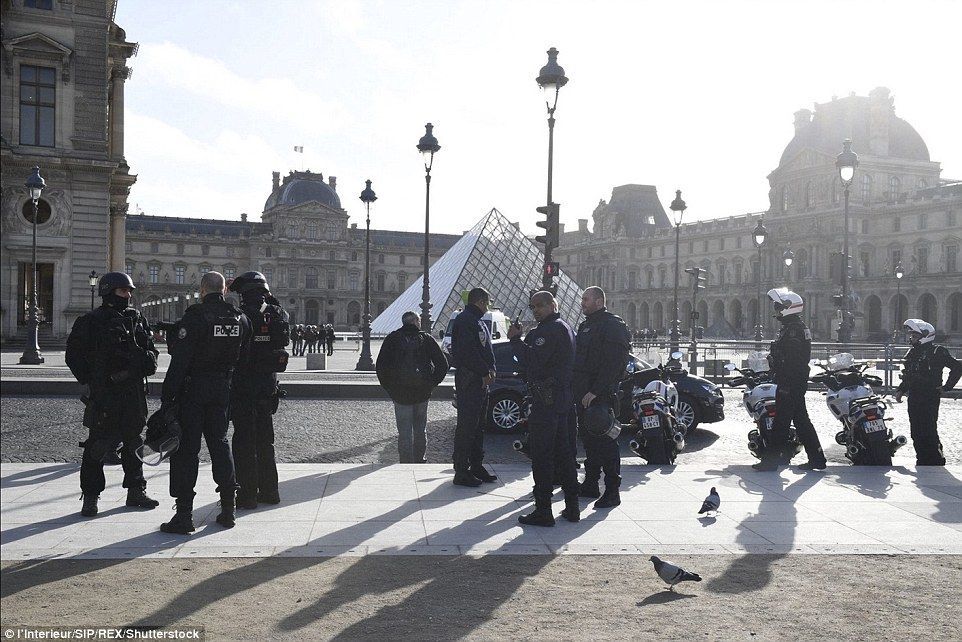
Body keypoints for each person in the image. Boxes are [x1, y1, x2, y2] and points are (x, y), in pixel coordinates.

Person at [159, 271, 252, 534]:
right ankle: (227, 509)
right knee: (220, 445)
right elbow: (244, 358)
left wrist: (168, 398)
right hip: (223, 389)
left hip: (194, 390)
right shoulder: (240, 319)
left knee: (187, 450)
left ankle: (184, 515)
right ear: (224, 290)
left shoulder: (196, 317)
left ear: (202, 289)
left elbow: (180, 361)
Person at [65, 272, 161, 517]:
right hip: (106, 394)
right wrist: (92, 381)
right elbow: (73, 356)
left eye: (130, 291)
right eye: (123, 291)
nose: (128, 296)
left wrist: (145, 359)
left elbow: (152, 352)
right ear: (108, 292)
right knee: (97, 446)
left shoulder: (136, 318)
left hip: (133, 393)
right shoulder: (91, 321)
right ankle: (90, 496)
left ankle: (136, 491)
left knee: (134, 443)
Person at [508, 291, 579, 526]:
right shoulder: (565, 327)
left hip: (546, 400)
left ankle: (544, 510)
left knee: (542, 456)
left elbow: (533, 363)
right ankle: (572, 506)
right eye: (532, 306)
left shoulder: (547, 331)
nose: (535, 310)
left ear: (552, 305)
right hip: (563, 399)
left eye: (539, 306)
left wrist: (516, 340)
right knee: (565, 455)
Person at [228, 271, 290, 508]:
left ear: (244, 294)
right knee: (266, 441)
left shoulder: (239, 316)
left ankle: (247, 495)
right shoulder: (277, 314)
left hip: (243, 384)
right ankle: (270, 491)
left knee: (244, 441)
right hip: (268, 385)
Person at [572, 286, 631, 509]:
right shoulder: (587, 325)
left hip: (601, 395)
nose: (582, 303)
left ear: (598, 300)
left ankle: (613, 491)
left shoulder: (613, 325)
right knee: (590, 442)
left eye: (586, 299)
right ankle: (590, 483)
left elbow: (614, 364)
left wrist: (595, 390)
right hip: (585, 395)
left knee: (606, 443)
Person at [757, 287, 826, 471]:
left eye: (779, 307)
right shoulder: (792, 327)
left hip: (790, 381)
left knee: (781, 421)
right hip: (793, 381)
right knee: (802, 421)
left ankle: (770, 461)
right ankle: (817, 458)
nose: (777, 311)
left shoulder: (794, 330)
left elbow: (793, 361)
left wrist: (783, 378)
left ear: (790, 307)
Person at [376, 311, 449, 463]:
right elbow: (443, 364)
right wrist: (432, 384)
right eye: (419, 320)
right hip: (422, 392)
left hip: (400, 393)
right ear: (416, 321)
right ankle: (420, 460)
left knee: (404, 432)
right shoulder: (426, 339)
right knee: (420, 429)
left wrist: (390, 388)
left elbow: (381, 367)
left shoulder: (392, 338)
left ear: (404, 322)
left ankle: (405, 461)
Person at [896, 319, 961, 466]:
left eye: (915, 335)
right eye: (911, 334)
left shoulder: (938, 351)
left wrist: (947, 386)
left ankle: (936, 459)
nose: (911, 337)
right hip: (914, 395)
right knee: (915, 429)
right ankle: (922, 458)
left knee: (929, 428)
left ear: (925, 335)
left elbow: (957, 367)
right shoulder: (912, 352)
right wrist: (901, 389)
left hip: (930, 395)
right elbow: (908, 373)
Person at [450, 287, 498, 486]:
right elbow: (466, 352)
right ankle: (461, 470)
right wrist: (485, 371)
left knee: (478, 426)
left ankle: (476, 465)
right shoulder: (465, 320)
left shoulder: (476, 320)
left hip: (479, 381)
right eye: (487, 302)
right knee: (467, 426)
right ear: (480, 301)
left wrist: (491, 369)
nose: (488, 306)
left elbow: (487, 349)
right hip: (470, 380)